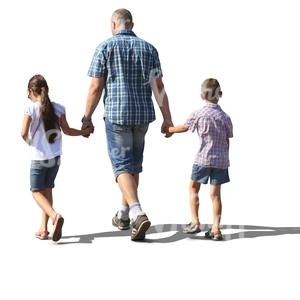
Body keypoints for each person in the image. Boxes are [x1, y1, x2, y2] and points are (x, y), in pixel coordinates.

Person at [81, 8, 173, 241]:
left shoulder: (105, 47)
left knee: (121, 166)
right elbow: (158, 88)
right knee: (133, 166)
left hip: (117, 116)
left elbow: (95, 87)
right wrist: (167, 118)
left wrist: (86, 117)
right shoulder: (149, 49)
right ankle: (123, 215)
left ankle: (137, 212)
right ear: (131, 25)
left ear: (114, 24)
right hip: (142, 117)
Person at [21, 74, 94, 242]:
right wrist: (84, 132)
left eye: (28, 94)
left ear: (32, 91)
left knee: (35, 191)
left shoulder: (30, 109)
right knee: (47, 190)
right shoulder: (59, 108)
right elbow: (67, 131)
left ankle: (54, 216)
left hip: (39, 158)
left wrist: (32, 144)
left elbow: (23, 133)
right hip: (55, 158)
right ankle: (43, 229)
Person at [167, 78, 233, 241]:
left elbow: (185, 127)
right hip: (221, 160)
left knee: (193, 188)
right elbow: (227, 139)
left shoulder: (198, 114)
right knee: (216, 195)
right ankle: (216, 230)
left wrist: (170, 130)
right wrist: (225, 156)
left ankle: (195, 223)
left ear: (201, 95)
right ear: (221, 94)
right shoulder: (225, 117)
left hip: (203, 158)